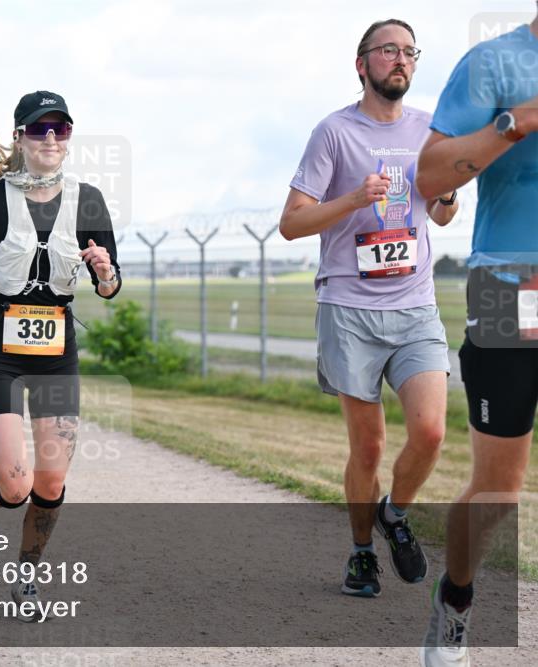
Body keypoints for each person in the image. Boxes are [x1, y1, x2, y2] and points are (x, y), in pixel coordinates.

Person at [279, 20, 459, 598]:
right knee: (371, 447)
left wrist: (451, 191)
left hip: (414, 305)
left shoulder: (431, 129)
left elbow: (442, 216)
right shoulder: (333, 133)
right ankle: (361, 554)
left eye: (409, 52)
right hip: (349, 309)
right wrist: (355, 197)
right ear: (363, 64)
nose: (401, 60)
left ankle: (395, 514)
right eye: (389, 51)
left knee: (430, 432)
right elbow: (291, 224)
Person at [0, 91, 121, 618]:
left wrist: (105, 270)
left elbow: (110, 288)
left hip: (56, 347)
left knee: (51, 480)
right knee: (16, 485)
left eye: (60, 129)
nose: (50, 138)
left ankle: (28, 575)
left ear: (68, 138)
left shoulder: (88, 200)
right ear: (19, 136)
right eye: (39, 129)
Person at [414, 9, 537, 665]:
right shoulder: (494, 64)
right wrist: (517, 120)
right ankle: (454, 602)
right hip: (509, 291)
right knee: (497, 490)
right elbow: (432, 177)